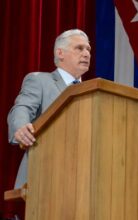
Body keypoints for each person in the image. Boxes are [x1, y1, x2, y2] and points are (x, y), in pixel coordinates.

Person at [7, 29, 91, 188]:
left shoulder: (92, 92)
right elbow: (22, 108)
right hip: (45, 174)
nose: (86, 54)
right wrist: (20, 127)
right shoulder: (40, 81)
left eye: (88, 49)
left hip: (84, 178)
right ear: (60, 53)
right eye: (79, 48)